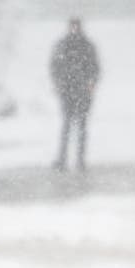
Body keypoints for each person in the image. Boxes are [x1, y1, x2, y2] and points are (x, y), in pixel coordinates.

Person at [49, 17, 100, 171]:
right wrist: (59, 83)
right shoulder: (67, 45)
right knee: (68, 126)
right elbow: (55, 66)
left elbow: (94, 67)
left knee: (79, 126)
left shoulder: (83, 46)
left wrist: (90, 83)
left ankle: (79, 160)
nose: (74, 29)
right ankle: (65, 160)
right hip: (69, 90)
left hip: (80, 91)